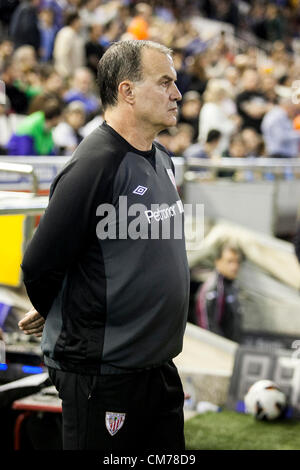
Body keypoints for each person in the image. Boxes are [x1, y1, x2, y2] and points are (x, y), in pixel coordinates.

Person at [18, 39, 189, 451]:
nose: (177, 93)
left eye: (175, 83)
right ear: (127, 91)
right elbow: (39, 265)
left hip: (156, 366)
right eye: (165, 81)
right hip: (103, 374)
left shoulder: (160, 158)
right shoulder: (95, 165)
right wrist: (57, 306)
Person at [195, 242, 243, 343]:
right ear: (218, 262)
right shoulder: (213, 289)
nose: (234, 266)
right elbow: (208, 329)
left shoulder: (232, 285)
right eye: (229, 261)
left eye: (237, 262)